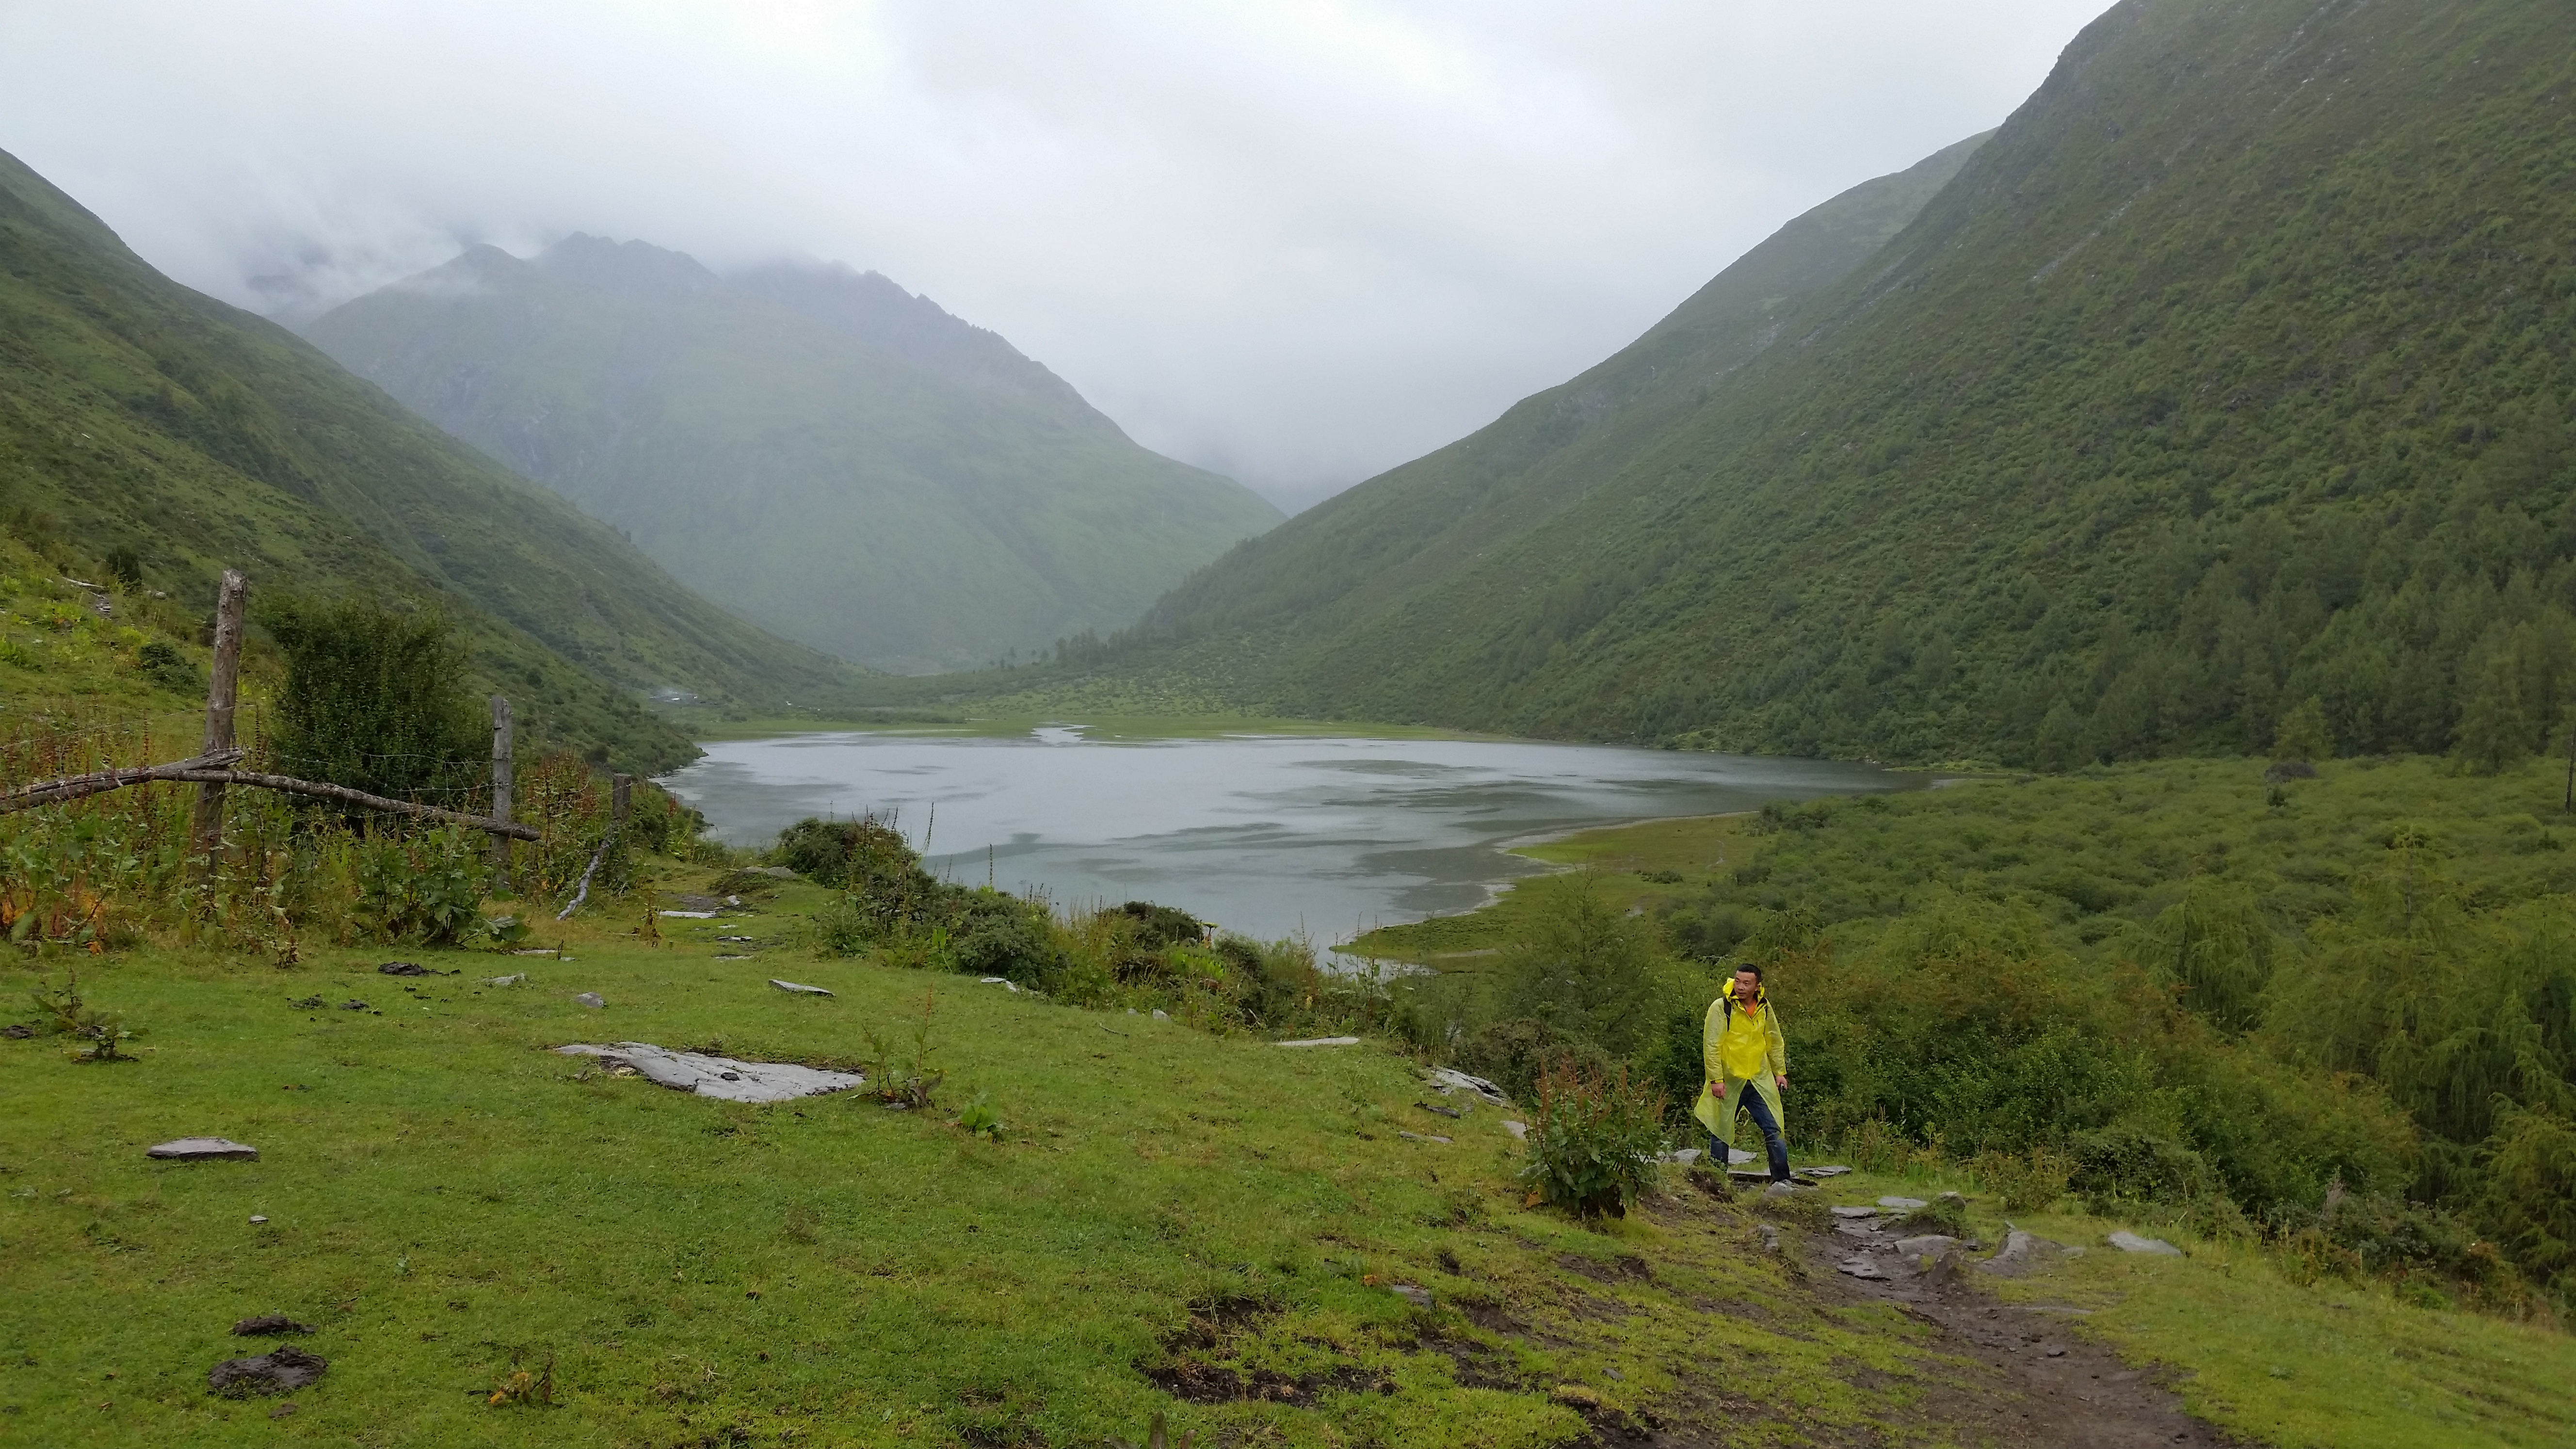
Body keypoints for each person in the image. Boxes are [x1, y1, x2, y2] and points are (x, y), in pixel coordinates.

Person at [1690, 963, 1789, 1186]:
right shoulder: (1722, 1007)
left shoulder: (1764, 1007)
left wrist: (1780, 1072)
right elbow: (1711, 1046)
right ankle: (1718, 1181)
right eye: (1738, 981)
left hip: (1758, 1079)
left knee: (1774, 1128)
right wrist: (1716, 1079)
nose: (1741, 987)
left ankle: (1782, 1182)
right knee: (1721, 1130)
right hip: (1729, 1080)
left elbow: (1773, 1040)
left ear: (1757, 986)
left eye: (1747, 983)